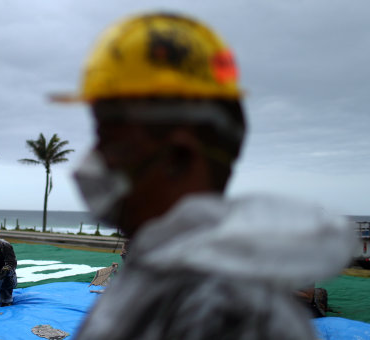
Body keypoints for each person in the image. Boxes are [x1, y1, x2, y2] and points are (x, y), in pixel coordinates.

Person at [57, 12, 357, 340]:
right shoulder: (161, 277)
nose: (89, 162)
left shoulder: (219, 314)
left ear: (178, 157)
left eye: (110, 139)